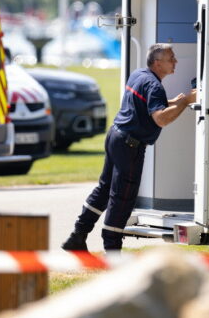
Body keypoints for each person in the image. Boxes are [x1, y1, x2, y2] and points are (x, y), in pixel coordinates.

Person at [62, 43, 196, 251]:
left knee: (105, 189)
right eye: (171, 58)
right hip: (130, 145)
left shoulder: (139, 75)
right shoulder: (154, 86)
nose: (175, 61)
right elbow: (160, 119)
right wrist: (186, 101)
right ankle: (112, 250)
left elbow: (146, 105)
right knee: (123, 197)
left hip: (115, 136)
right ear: (157, 63)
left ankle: (77, 236)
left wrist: (174, 102)